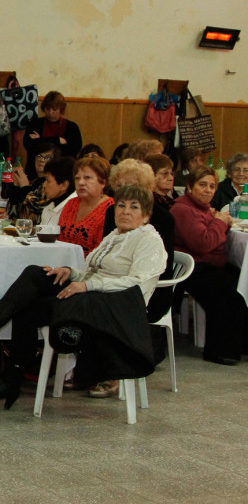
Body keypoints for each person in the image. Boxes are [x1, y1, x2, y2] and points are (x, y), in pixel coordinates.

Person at [0, 184, 166, 408]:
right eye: (121, 205)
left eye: (134, 207)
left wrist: (88, 285)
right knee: (36, 275)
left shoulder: (148, 240)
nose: (125, 211)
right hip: (93, 294)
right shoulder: (115, 236)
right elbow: (93, 272)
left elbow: (136, 284)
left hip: (117, 308)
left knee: (31, 306)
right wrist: (71, 272)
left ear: (146, 215)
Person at [93, 158, 176, 396]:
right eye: (119, 187)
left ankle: (109, 368)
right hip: (111, 281)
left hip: (150, 289)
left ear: (145, 187)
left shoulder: (161, 220)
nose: (124, 192)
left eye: (130, 185)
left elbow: (157, 268)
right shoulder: (114, 212)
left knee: (94, 301)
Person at [171, 166, 248, 365]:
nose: (208, 190)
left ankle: (241, 344)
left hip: (206, 263)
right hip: (192, 267)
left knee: (242, 279)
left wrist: (217, 221)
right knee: (230, 291)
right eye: (202, 185)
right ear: (189, 187)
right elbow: (203, 243)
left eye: (212, 186)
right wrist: (220, 222)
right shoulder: (183, 209)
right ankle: (220, 350)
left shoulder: (200, 208)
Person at [57, 156, 113, 255]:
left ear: (103, 182)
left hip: (91, 266)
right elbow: (60, 240)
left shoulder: (110, 208)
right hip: (62, 262)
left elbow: (104, 250)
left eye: (87, 178)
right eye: (77, 178)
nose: (80, 183)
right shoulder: (71, 204)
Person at [22, 90, 83, 159]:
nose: (50, 112)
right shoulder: (35, 124)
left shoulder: (72, 127)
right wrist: (57, 140)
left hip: (63, 164)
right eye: (48, 109)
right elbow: (29, 145)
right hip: (38, 163)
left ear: (61, 109)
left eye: (54, 109)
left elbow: (74, 149)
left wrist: (40, 139)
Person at [10, 143, 59, 222]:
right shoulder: (31, 182)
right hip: (19, 229)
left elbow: (39, 207)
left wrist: (24, 188)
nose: (42, 160)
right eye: (39, 156)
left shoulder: (52, 185)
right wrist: (15, 187)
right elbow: (11, 213)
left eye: (47, 157)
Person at [37, 157, 77, 227]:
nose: (44, 185)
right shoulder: (49, 207)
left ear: (64, 185)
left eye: (48, 181)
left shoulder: (75, 209)